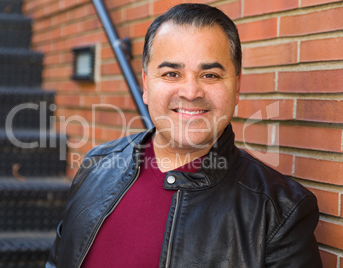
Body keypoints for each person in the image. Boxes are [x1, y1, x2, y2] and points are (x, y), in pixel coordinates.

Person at [46, 3, 322, 268]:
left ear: (236, 86)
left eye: (210, 75)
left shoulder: (279, 211)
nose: (190, 92)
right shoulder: (96, 165)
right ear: (145, 84)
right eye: (171, 73)